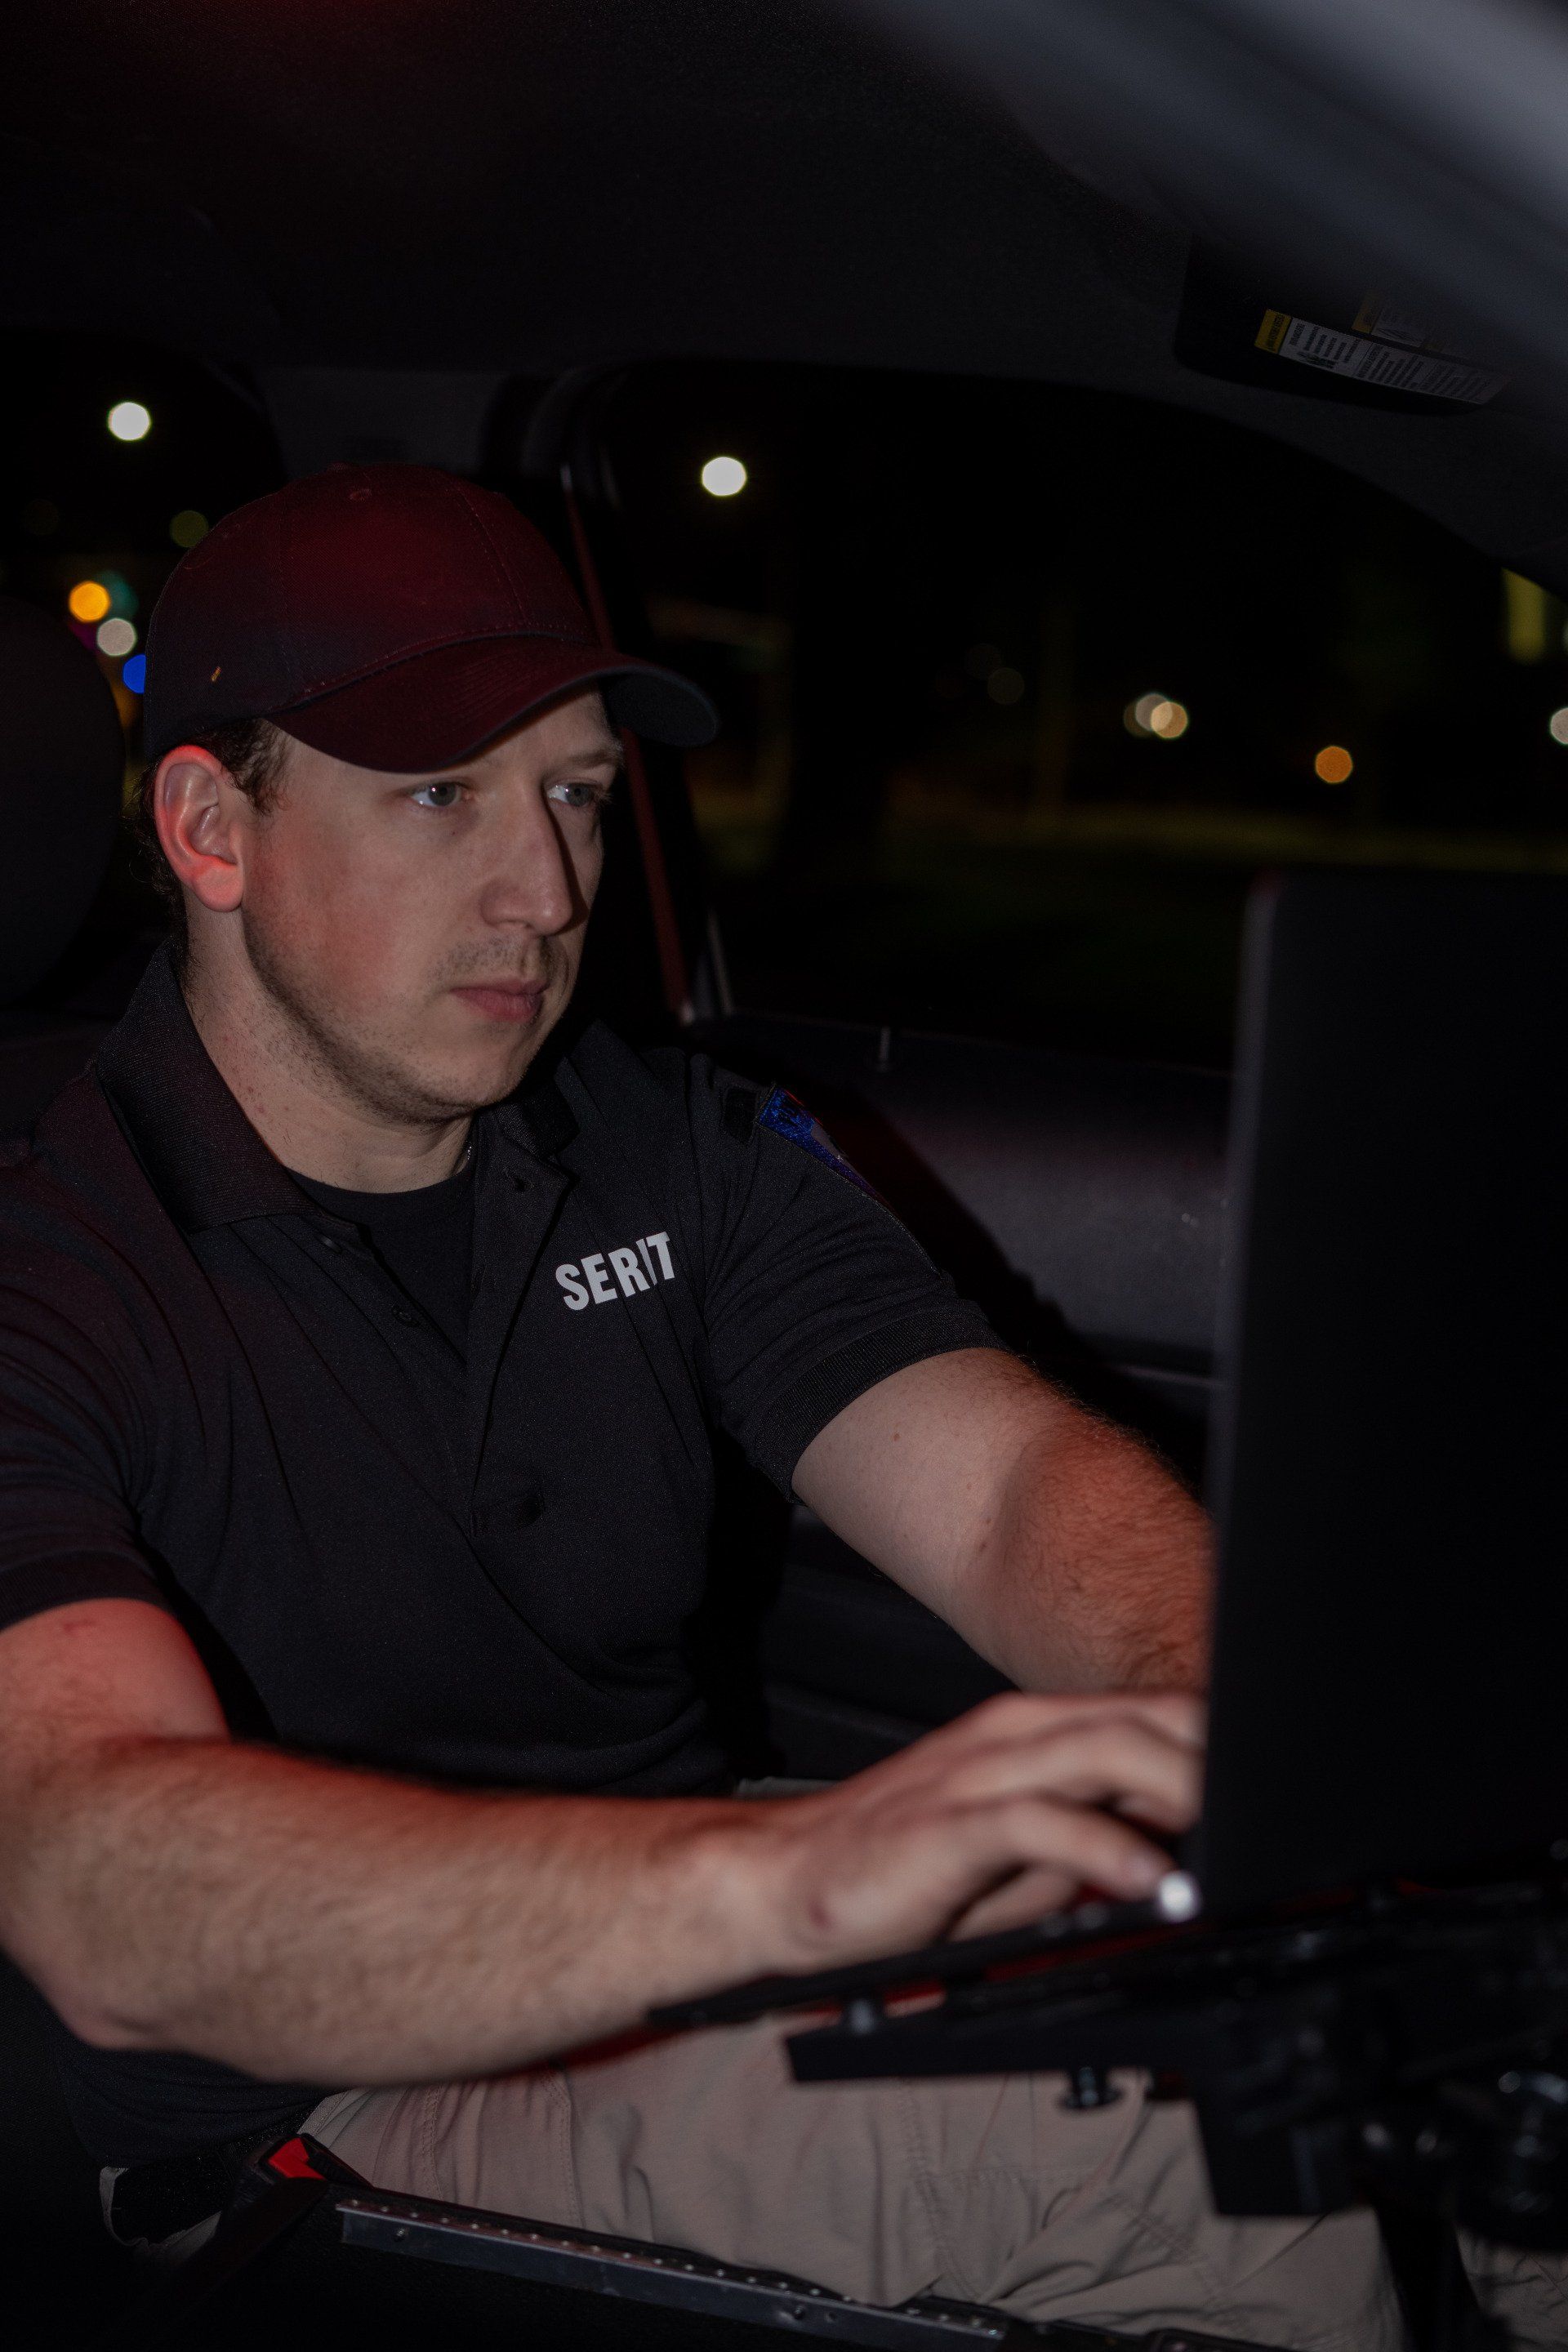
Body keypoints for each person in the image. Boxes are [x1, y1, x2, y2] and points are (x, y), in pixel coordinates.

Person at [0, 466, 1400, 2348]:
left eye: (574, 793)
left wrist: (1220, 1724)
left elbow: (1002, 1493)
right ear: (208, 827)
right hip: (305, 2110)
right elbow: (101, 1876)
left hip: (677, 1939)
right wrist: (797, 1880)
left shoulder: (660, 1142)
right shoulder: (48, 1266)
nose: (549, 889)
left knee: (1411, 2007)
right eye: (443, 798)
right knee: (1196, 2128)